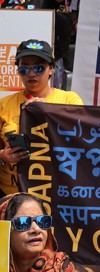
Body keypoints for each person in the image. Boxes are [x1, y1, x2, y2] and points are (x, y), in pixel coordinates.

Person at [0, 39, 82, 197]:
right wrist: (3, 156)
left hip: (56, 196)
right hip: (11, 196)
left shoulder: (70, 100)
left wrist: (49, 112)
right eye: (24, 69)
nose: (31, 74)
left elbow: (80, 139)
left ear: (51, 69)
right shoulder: (4, 105)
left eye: (38, 68)